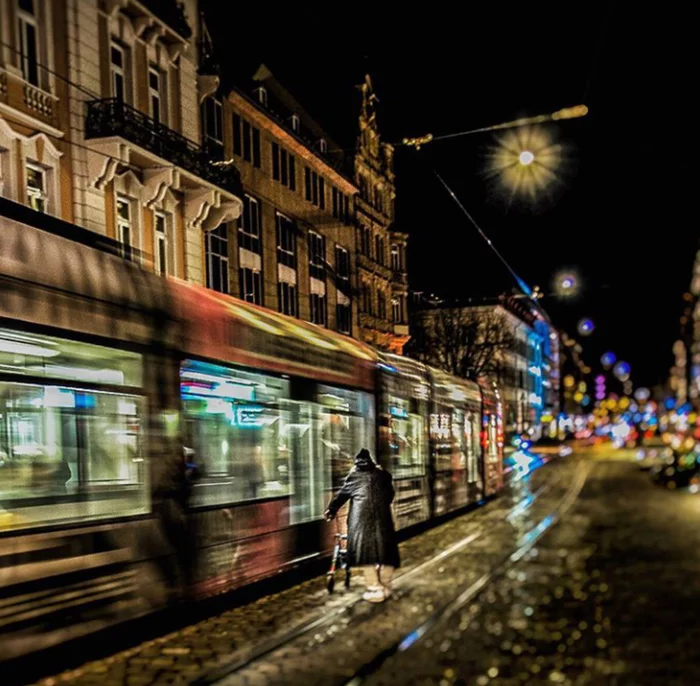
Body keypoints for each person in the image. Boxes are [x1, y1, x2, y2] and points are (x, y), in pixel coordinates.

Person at [325, 449, 400, 603]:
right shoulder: (382, 475)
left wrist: (331, 511)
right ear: (372, 462)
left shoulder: (353, 476)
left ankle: (374, 589)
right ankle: (385, 585)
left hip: (360, 523)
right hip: (382, 520)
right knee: (386, 552)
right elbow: (390, 495)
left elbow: (341, 496)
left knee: (366, 554)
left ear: (356, 464)